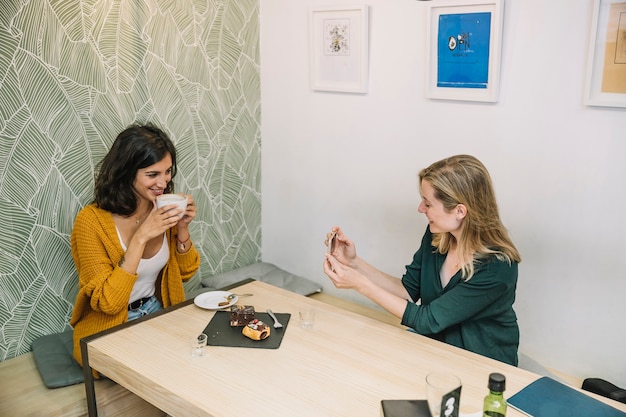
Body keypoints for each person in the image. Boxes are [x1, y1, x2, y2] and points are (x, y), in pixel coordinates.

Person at [323, 154, 521, 366]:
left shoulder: (498, 267)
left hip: (482, 367)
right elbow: (407, 290)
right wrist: (353, 263)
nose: (420, 209)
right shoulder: (438, 236)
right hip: (434, 351)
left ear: (460, 211)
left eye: (428, 203)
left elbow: (427, 320)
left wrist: (360, 284)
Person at [70, 124, 200, 369]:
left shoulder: (162, 207)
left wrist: (182, 228)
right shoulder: (90, 222)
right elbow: (107, 303)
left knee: (200, 352)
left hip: (156, 310)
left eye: (168, 172)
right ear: (127, 172)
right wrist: (140, 238)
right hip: (110, 326)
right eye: (152, 174)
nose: (163, 183)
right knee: (169, 366)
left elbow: (185, 273)